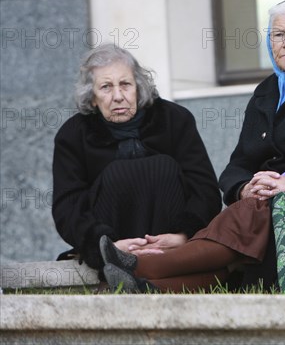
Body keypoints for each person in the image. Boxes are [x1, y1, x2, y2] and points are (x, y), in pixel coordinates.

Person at [100, 0, 285, 293]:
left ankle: (142, 264)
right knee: (252, 213)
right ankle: (146, 286)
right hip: (266, 209)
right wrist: (244, 188)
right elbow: (237, 165)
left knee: (254, 213)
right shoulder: (266, 91)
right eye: (279, 35)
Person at [52, 44, 222, 272]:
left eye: (125, 84)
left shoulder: (174, 119)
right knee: (117, 174)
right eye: (105, 87)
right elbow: (67, 206)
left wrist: (182, 235)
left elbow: (205, 188)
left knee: (162, 167)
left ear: (138, 88)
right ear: (92, 97)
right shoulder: (73, 135)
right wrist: (107, 245)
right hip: (113, 247)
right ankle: (122, 265)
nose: (118, 96)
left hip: (172, 246)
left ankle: (158, 264)